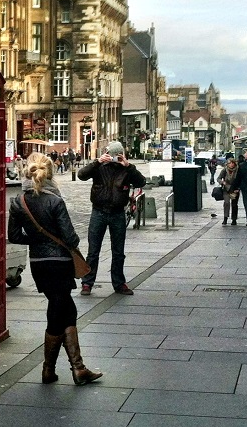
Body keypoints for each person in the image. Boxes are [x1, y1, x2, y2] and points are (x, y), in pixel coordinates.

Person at [7, 153, 103, 386]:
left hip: (39, 264)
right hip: (60, 263)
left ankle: (74, 369)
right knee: (60, 313)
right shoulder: (55, 201)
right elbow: (71, 238)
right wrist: (55, 241)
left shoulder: (18, 202)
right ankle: (54, 369)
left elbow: (14, 236)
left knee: (65, 310)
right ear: (50, 174)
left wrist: (37, 241)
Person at [76, 141, 146, 296]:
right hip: (98, 211)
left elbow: (141, 182)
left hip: (117, 213)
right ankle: (87, 283)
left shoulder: (126, 169)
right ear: (107, 153)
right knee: (93, 251)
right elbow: (81, 175)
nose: (114, 158)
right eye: (112, 155)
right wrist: (97, 162)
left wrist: (128, 166)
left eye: (118, 155)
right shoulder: (100, 166)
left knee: (118, 251)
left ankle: (119, 283)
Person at [217, 158, 240, 225]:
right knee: (226, 203)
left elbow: (240, 179)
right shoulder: (225, 170)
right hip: (226, 189)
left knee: (234, 204)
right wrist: (222, 182)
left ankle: (234, 219)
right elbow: (218, 178)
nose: (231, 165)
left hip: (234, 189)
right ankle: (225, 218)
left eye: (233, 163)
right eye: (230, 163)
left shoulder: (237, 170)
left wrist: (238, 188)